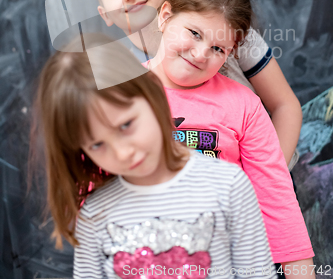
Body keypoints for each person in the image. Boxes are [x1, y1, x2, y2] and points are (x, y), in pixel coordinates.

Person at [32, 37, 277, 279]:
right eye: (97, 144)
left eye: (126, 125)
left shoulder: (228, 185)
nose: (122, 152)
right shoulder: (94, 216)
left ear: (152, 92)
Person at [145, 0, 314, 278]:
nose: (199, 54)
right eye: (194, 33)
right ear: (165, 15)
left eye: (218, 49)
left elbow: (279, 207)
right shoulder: (119, 98)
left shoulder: (244, 106)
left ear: (232, 53)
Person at [92, 0, 302, 170]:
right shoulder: (122, 76)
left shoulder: (226, 27)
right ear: (105, 15)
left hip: (267, 170)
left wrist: (267, 175)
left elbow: (285, 104)